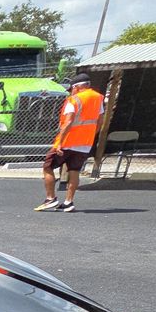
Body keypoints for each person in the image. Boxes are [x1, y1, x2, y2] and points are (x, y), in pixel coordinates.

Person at [35, 73, 105, 213]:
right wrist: (90, 136)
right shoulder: (98, 98)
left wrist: (60, 142)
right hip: (85, 144)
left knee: (48, 166)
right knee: (74, 171)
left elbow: (68, 122)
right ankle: (68, 202)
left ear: (77, 87)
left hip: (68, 142)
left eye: (71, 89)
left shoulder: (74, 100)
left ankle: (50, 198)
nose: (71, 92)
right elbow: (100, 121)